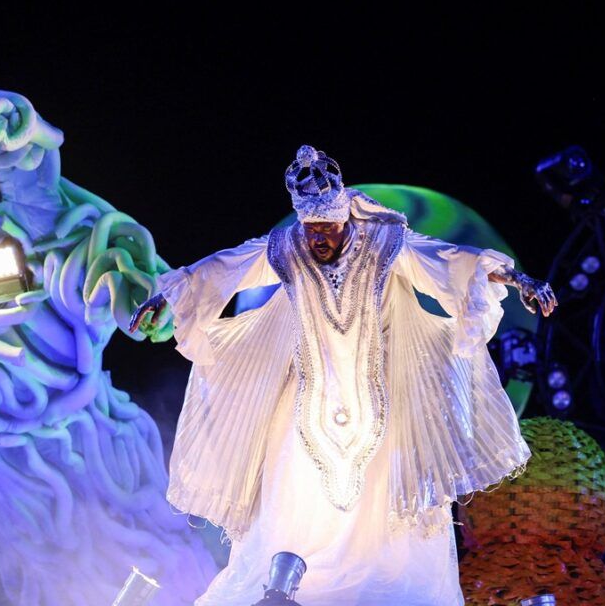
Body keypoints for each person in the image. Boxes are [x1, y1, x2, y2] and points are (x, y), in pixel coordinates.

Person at [129, 145, 557, 605]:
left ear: (345, 219)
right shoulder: (289, 248)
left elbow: (451, 259)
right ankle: (283, 591)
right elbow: (227, 266)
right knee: (291, 502)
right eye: (310, 228)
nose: (317, 239)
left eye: (327, 228)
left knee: (387, 519)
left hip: (382, 406)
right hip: (305, 405)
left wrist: (520, 280)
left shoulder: (385, 244)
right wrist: (167, 297)